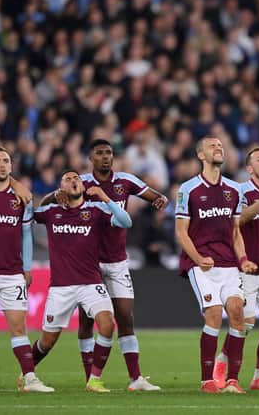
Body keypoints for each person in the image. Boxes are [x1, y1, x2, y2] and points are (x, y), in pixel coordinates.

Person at [77, 139, 167, 391]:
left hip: (117, 262)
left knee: (125, 317)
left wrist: (159, 199)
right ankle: (90, 377)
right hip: (89, 263)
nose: (105, 157)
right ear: (91, 158)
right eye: (99, 153)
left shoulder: (125, 181)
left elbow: (153, 194)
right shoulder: (82, 183)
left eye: (108, 153)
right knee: (86, 321)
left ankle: (135, 378)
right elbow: (57, 196)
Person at [31, 170, 132, 393]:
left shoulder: (96, 211)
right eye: (67, 179)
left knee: (107, 325)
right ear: (62, 187)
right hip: (61, 287)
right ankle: (27, 373)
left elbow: (126, 221)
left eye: (76, 178)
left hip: (90, 283)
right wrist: (51, 196)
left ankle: (94, 380)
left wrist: (106, 198)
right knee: (47, 341)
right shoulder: (51, 212)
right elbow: (27, 214)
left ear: (83, 186)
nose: (74, 180)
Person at [175, 136, 257, 394]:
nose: (219, 148)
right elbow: (181, 231)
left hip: (228, 263)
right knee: (213, 314)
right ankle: (206, 381)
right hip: (201, 265)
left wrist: (243, 259)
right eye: (213, 146)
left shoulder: (234, 189)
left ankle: (232, 380)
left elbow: (235, 231)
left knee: (236, 312)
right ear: (201, 155)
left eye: (221, 145)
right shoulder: (188, 189)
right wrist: (198, 258)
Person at [0, 147, 53, 392]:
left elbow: (26, 234)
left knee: (18, 327)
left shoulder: (21, 198)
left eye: (6, 160)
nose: (2, 164)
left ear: (11, 166)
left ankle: (29, 378)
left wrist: (26, 268)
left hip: (12, 273)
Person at [212, 147, 259, 391]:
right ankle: (224, 364)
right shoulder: (239, 192)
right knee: (245, 324)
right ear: (249, 168)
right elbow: (239, 221)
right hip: (244, 268)